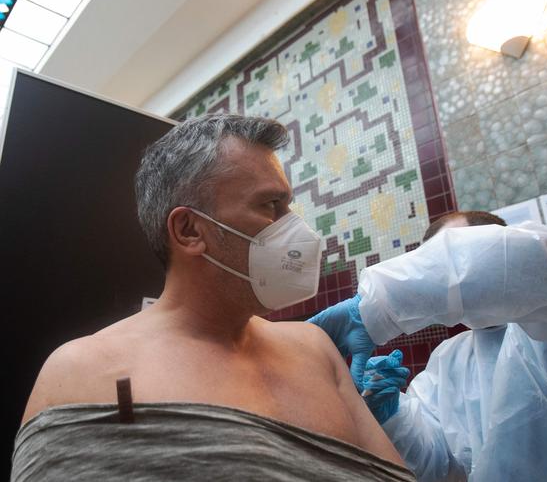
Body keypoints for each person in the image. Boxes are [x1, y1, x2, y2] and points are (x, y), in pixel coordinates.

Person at [12, 114, 414, 482]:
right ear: (190, 230)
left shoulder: (315, 349)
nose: (296, 230)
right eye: (271, 206)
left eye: (289, 207)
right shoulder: (82, 371)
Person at [310, 211, 547, 481]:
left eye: (451, 257)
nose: (443, 274)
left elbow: (535, 258)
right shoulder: (449, 358)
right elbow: (442, 472)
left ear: (497, 245)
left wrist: (374, 307)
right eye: (432, 262)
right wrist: (393, 417)